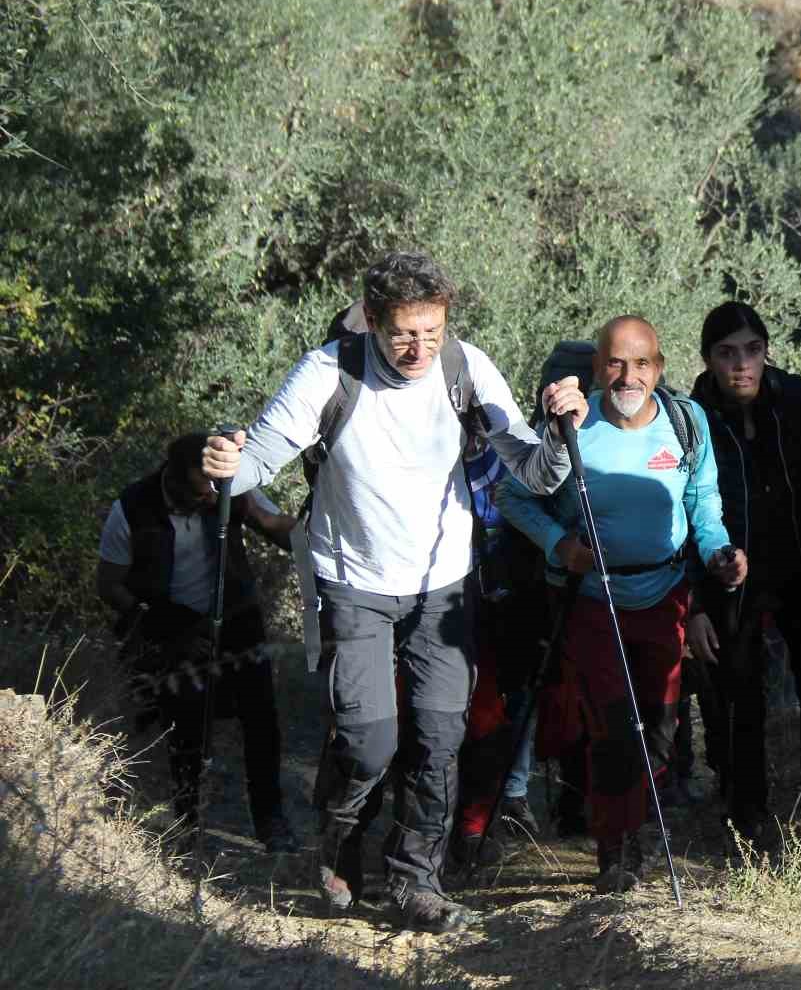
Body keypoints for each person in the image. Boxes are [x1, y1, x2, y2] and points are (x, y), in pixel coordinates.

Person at [200, 250, 587, 932]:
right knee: (368, 739)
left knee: (439, 737)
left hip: (443, 586)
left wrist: (563, 432)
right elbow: (259, 457)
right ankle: (343, 839)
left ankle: (416, 880)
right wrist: (228, 466)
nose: (419, 349)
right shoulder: (329, 372)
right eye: (404, 333)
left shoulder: (467, 368)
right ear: (372, 321)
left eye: (432, 333)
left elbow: (534, 470)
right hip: (352, 584)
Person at [498, 315, 747, 893]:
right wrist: (560, 546)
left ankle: (633, 830)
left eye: (640, 363)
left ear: (659, 368)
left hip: (665, 595)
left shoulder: (687, 422)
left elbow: (702, 500)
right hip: (593, 598)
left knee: (659, 727)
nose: (627, 376)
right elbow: (514, 497)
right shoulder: (570, 423)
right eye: (615, 363)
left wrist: (719, 552)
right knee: (613, 726)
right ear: (596, 369)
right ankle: (618, 853)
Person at [683, 302, 801, 841]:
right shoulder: (690, 419)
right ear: (707, 359)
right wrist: (696, 600)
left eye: (752, 350)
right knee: (737, 691)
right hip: (729, 572)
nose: (741, 365)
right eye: (727, 353)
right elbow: (680, 508)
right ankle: (745, 807)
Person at [97, 433, 298, 852]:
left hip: (237, 619)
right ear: (171, 476)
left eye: (213, 491)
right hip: (170, 625)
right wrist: (153, 621)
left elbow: (288, 535)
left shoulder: (231, 488)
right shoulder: (132, 507)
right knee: (186, 727)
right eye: (197, 491)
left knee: (262, 721)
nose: (208, 498)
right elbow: (110, 584)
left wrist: (253, 510)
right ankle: (188, 821)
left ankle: (271, 823)